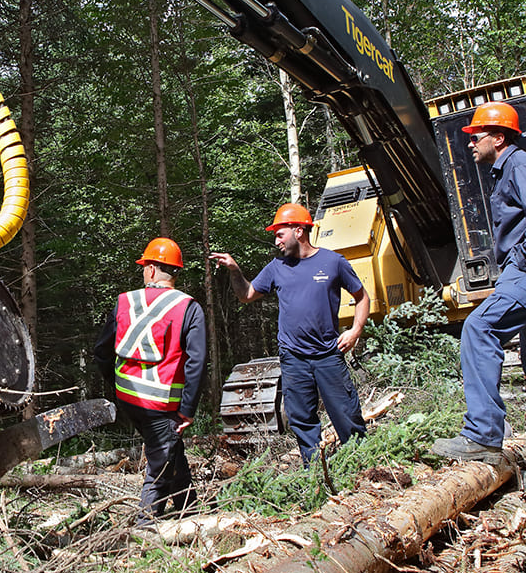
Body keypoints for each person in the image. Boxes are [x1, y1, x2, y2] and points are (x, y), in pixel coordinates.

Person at [430, 101, 526, 493]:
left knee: (479, 329)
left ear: (499, 138)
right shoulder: (508, 169)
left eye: (476, 137)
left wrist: (524, 259)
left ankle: (482, 435)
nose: (470, 145)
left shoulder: (520, 165)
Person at [211, 203, 369, 465]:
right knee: (301, 419)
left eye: (280, 234)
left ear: (299, 230)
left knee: (346, 413)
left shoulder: (333, 262)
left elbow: (362, 297)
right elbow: (246, 295)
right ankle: (315, 474)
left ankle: (361, 466)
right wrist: (235, 271)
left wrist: (355, 331)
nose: (276, 241)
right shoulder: (276, 267)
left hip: (328, 354)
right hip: (293, 358)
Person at [94, 237, 207, 526]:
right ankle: (143, 530)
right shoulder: (188, 308)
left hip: (130, 398)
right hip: (162, 405)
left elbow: (101, 352)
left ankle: (188, 511)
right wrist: (188, 410)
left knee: (169, 450)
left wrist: (117, 387)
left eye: (144, 266)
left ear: (153, 270)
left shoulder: (124, 302)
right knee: (159, 467)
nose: (143, 271)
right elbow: (196, 362)